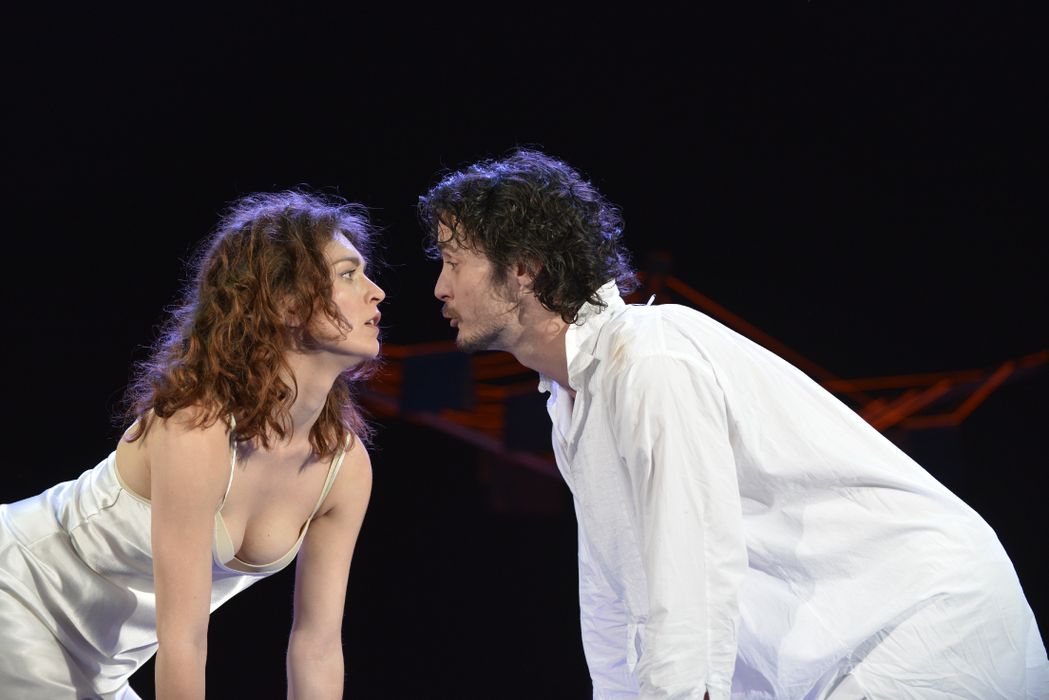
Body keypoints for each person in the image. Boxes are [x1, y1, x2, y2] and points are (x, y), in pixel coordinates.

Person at [418, 150, 1049, 699]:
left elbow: (689, 566)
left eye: (453, 261)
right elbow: (616, 597)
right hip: (851, 645)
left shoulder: (651, 358)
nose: (440, 288)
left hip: (916, 624)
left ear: (524, 268)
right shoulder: (572, 398)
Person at [0, 191, 384, 698]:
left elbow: (316, 646)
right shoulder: (197, 429)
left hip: (102, 666)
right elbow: (184, 639)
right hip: (18, 598)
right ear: (286, 302)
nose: (376, 292)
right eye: (348, 274)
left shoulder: (343, 466)